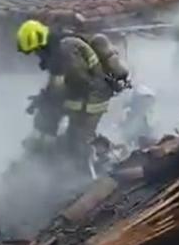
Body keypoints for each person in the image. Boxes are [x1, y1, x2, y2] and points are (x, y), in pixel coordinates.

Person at [16, 19, 130, 159]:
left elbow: (80, 82)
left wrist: (54, 99)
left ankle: (108, 159)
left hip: (93, 99)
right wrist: (44, 98)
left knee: (79, 141)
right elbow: (57, 83)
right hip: (85, 97)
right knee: (64, 132)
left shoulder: (65, 50)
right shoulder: (57, 50)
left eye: (35, 50)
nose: (36, 55)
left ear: (40, 44)